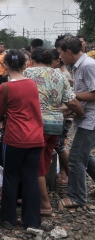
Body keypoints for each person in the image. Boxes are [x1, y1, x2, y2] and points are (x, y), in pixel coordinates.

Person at [24, 47, 84, 216]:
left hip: (36, 126)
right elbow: (71, 101)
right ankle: (38, 195)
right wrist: (81, 113)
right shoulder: (59, 75)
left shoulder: (27, 73)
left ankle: (44, 205)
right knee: (45, 161)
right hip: (56, 126)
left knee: (36, 166)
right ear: (52, 60)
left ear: (32, 60)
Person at [0, 50, 44, 230]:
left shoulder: (5, 87)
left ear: (5, 66)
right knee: (31, 177)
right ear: (25, 65)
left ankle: (8, 218)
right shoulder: (32, 84)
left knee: (11, 176)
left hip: (15, 139)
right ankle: (32, 220)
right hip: (36, 138)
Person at [56, 35, 95, 208]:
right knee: (86, 156)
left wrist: (69, 95)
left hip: (91, 120)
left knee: (76, 159)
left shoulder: (87, 66)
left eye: (61, 53)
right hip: (86, 117)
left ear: (69, 51)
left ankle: (77, 197)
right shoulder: (78, 67)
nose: (60, 58)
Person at [49, 49, 73, 186]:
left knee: (60, 146)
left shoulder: (62, 75)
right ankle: (66, 174)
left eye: (50, 62)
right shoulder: (62, 73)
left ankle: (72, 176)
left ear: (57, 61)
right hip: (62, 115)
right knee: (60, 146)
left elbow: (69, 100)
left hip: (63, 115)